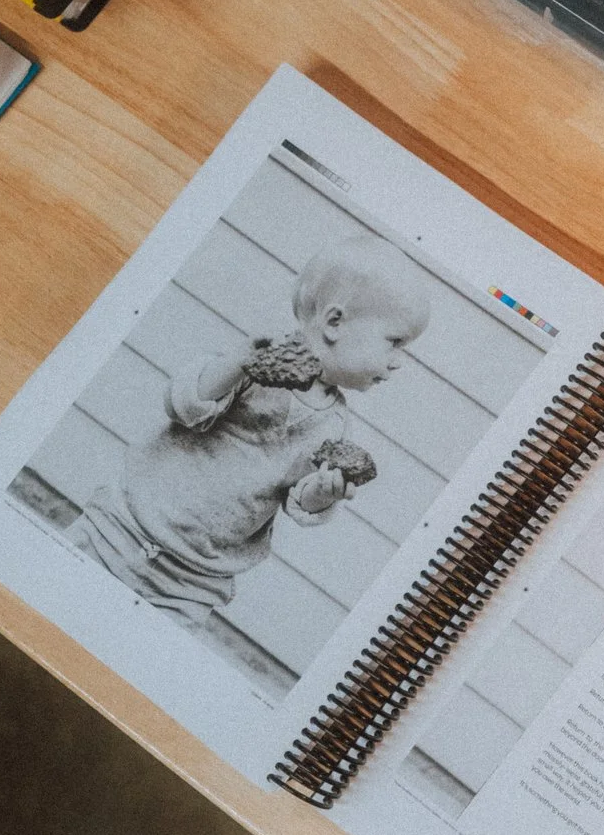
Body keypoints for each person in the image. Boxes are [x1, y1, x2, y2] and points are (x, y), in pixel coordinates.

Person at [72, 233, 430, 625]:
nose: (398, 362)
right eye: (394, 342)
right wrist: (237, 364)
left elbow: (298, 499)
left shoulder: (334, 423)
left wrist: (320, 496)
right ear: (334, 322)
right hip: (120, 526)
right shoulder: (255, 360)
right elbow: (183, 406)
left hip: (195, 580)